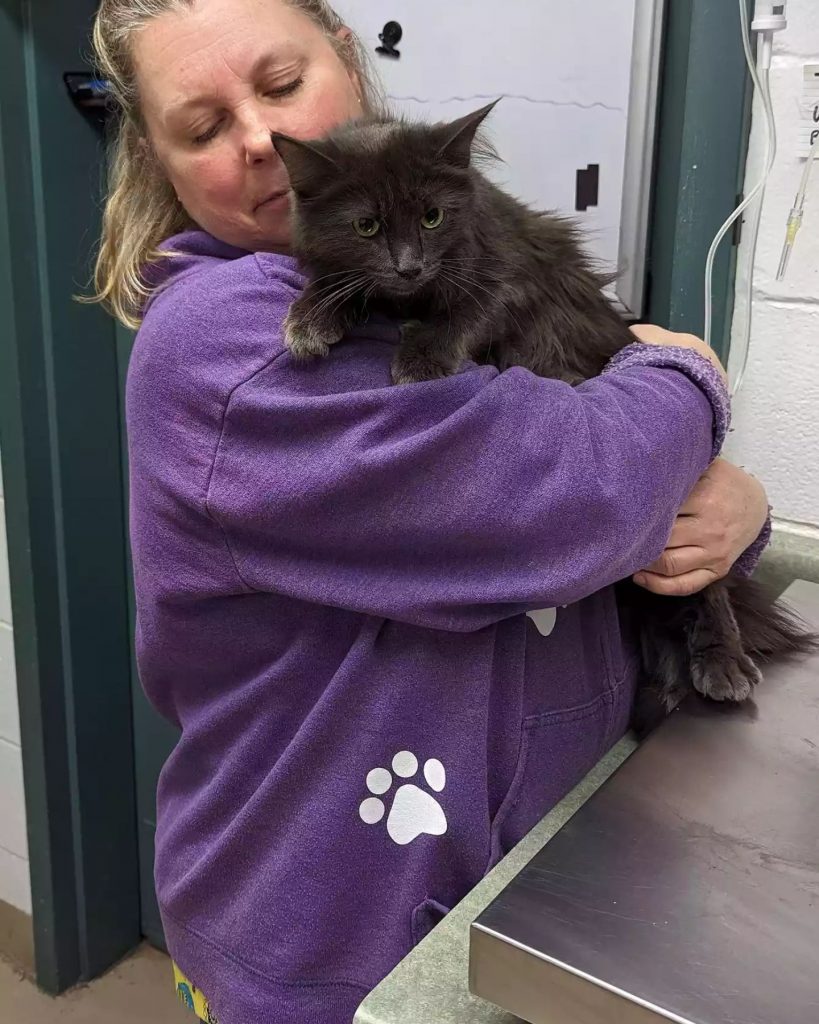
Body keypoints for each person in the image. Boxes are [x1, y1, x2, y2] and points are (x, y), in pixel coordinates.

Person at [89, 2, 771, 1022]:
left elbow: (595, 439)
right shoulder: (233, 351)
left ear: (348, 69)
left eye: (281, 87)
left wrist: (731, 509)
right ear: (158, 159)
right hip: (335, 930)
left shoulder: (422, 255)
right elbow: (567, 497)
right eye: (201, 127)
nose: (263, 145)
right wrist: (689, 378)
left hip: (528, 889)